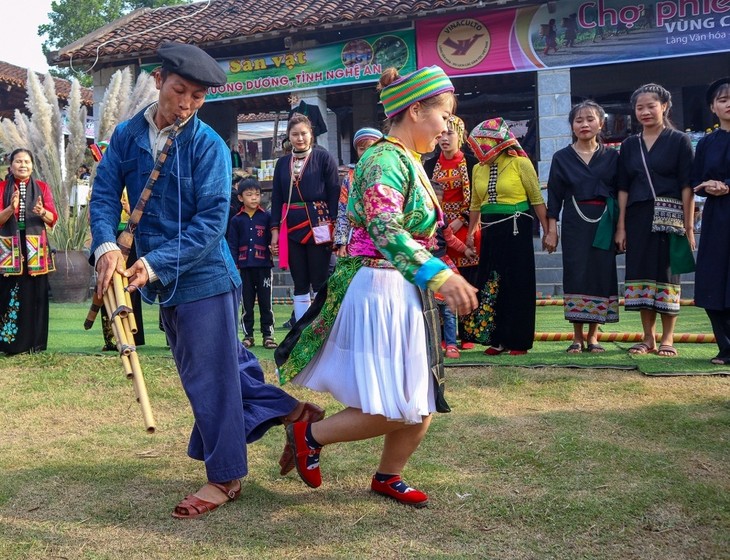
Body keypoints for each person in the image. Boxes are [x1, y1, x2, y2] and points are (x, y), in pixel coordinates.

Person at [89, 42, 323, 519]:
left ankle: (226, 477)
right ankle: (294, 414)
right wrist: (106, 247)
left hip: (207, 278)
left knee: (209, 380)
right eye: (180, 91)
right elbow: (104, 195)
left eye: (198, 97)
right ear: (158, 80)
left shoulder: (208, 145)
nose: (187, 104)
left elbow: (212, 221)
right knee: (227, 371)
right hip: (163, 281)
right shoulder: (126, 135)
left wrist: (153, 264)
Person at [275, 65, 478, 508]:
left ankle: (389, 475)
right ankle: (307, 434)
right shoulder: (384, 159)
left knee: (422, 399)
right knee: (390, 402)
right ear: (417, 109)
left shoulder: (408, 160)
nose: (448, 126)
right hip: (382, 288)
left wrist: (439, 271)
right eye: (444, 115)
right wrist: (440, 275)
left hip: (404, 288)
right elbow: (385, 228)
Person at [615, 83, 695, 357]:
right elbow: (623, 188)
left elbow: (687, 185)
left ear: (665, 106)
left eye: (651, 106)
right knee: (640, 275)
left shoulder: (679, 140)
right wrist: (621, 226)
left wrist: (688, 225)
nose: (646, 112)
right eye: (640, 107)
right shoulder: (629, 145)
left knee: (668, 276)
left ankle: (668, 339)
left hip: (670, 216)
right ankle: (647, 338)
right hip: (637, 217)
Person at [464, 118, 549, 356]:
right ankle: (497, 339)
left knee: (517, 283)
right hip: (490, 231)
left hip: (516, 228)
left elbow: (536, 198)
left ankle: (519, 341)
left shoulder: (520, 163)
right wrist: (471, 233)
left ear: (492, 143)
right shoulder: (477, 168)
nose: (474, 149)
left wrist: (549, 230)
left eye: (477, 143)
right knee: (491, 283)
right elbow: (475, 204)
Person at [545, 101, 620, 353]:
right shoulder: (561, 157)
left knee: (601, 273)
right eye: (579, 120)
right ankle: (577, 337)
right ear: (572, 126)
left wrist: (621, 228)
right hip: (575, 222)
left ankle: (594, 337)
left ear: (601, 123)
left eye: (590, 119)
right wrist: (551, 230)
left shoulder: (612, 156)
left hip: (605, 221)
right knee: (576, 274)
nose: (584, 124)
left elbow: (621, 193)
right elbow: (554, 197)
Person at [270, 114, 339, 321]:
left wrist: (336, 227)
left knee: (319, 280)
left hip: (319, 225)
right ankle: (300, 331)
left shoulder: (323, 158)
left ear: (311, 135)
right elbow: (277, 199)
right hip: (290, 228)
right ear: (288, 137)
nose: (300, 138)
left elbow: (334, 193)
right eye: (295, 134)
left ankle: (320, 329)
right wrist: (274, 232)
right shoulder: (282, 163)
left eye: (304, 134)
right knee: (299, 281)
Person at [424, 115, 480, 350]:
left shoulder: (471, 163)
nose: (445, 139)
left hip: (466, 229)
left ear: (461, 135)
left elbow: (478, 196)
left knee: (466, 280)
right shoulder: (428, 165)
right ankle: (444, 336)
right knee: (440, 284)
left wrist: (461, 219)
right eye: (442, 134)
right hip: (436, 229)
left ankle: (467, 335)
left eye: (450, 134)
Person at [0, 148, 57, 354]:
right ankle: (12, 345)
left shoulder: (42, 187)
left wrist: (43, 212)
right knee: (11, 293)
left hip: (35, 248)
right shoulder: (2, 187)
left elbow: (53, 218)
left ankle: (36, 344)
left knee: (36, 294)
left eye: (26, 162)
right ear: (11, 165)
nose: (23, 165)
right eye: (18, 161)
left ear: (32, 165)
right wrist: (10, 208)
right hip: (9, 247)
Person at [691, 77, 730, 365]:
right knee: (713, 277)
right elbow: (695, 179)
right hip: (716, 216)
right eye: (723, 99)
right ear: (713, 108)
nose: (728, 104)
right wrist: (707, 186)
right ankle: (725, 347)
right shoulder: (707, 143)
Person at [227, 177, 278, 349]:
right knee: (246, 304)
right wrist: (233, 263)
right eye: (249, 195)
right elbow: (232, 244)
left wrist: (275, 248)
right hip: (244, 268)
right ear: (241, 198)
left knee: (266, 303)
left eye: (257, 194)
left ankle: (268, 335)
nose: (254, 198)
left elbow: (273, 238)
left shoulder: (267, 217)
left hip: (264, 266)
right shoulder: (236, 220)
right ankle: (248, 335)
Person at [429, 180, 478, 360]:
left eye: (438, 201)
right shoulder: (415, 219)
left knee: (448, 310)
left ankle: (451, 344)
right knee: (427, 309)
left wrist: (465, 249)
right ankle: (431, 344)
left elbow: (450, 239)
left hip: (442, 263)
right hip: (425, 263)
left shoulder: (442, 219)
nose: (435, 204)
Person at [100, 188, 145, 351]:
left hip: (132, 237)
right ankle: (112, 339)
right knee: (108, 284)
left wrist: (128, 210)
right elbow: (96, 215)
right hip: (109, 238)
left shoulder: (136, 186)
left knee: (130, 284)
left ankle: (133, 336)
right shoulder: (106, 185)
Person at [333, 127, 383, 257]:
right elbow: (343, 210)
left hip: (384, 236)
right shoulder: (350, 177)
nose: (366, 152)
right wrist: (342, 242)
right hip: (357, 238)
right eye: (361, 148)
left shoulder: (388, 173)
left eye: (370, 147)